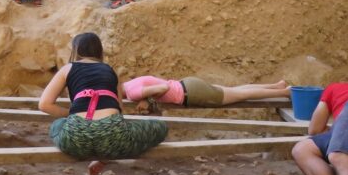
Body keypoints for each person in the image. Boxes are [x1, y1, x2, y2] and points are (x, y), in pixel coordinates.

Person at [40, 32, 167, 169]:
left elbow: (44, 104)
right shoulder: (110, 70)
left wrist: (70, 115)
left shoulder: (67, 69)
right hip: (112, 139)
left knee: (57, 125)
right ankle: (105, 155)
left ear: (75, 51)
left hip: (76, 139)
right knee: (160, 127)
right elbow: (119, 111)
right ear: (99, 51)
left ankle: (95, 147)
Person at [123, 75, 289, 111]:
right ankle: (277, 85)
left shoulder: (132, 92)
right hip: (188, 84)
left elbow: (162, 89)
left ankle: (283, 93)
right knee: (237, 90)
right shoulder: (129, 83)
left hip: (193, 93)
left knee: (241, 95)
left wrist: (145, 98)